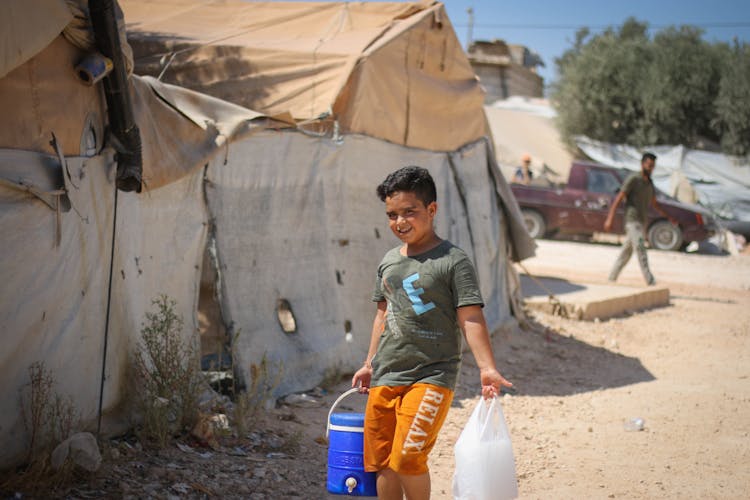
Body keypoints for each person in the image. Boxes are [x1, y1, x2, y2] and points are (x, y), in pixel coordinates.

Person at [351, 166, 512, 500]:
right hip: (386, 373)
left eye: (410, 212)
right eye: (392, 214)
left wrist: (487, 367)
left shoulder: (452, 260)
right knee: (382, 463)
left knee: (408, 458)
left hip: (432, 375)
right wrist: (369, 363)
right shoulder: (388, 262)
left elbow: (470, 316)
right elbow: (382, 315)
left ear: (432, 210)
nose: (400, 222)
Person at [604, 152, 677, 285]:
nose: (651, 168)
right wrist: (610, 218)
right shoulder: (634, 179)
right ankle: (650, 280)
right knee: (641, 248)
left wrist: (668, 217)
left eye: (653, 166)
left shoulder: (649, 183)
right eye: (649, 165)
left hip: (642, 221)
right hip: (632, 220)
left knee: (627, 250)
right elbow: (619, 198)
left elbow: (654, 204)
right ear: (643, 164)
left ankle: (612, 277)